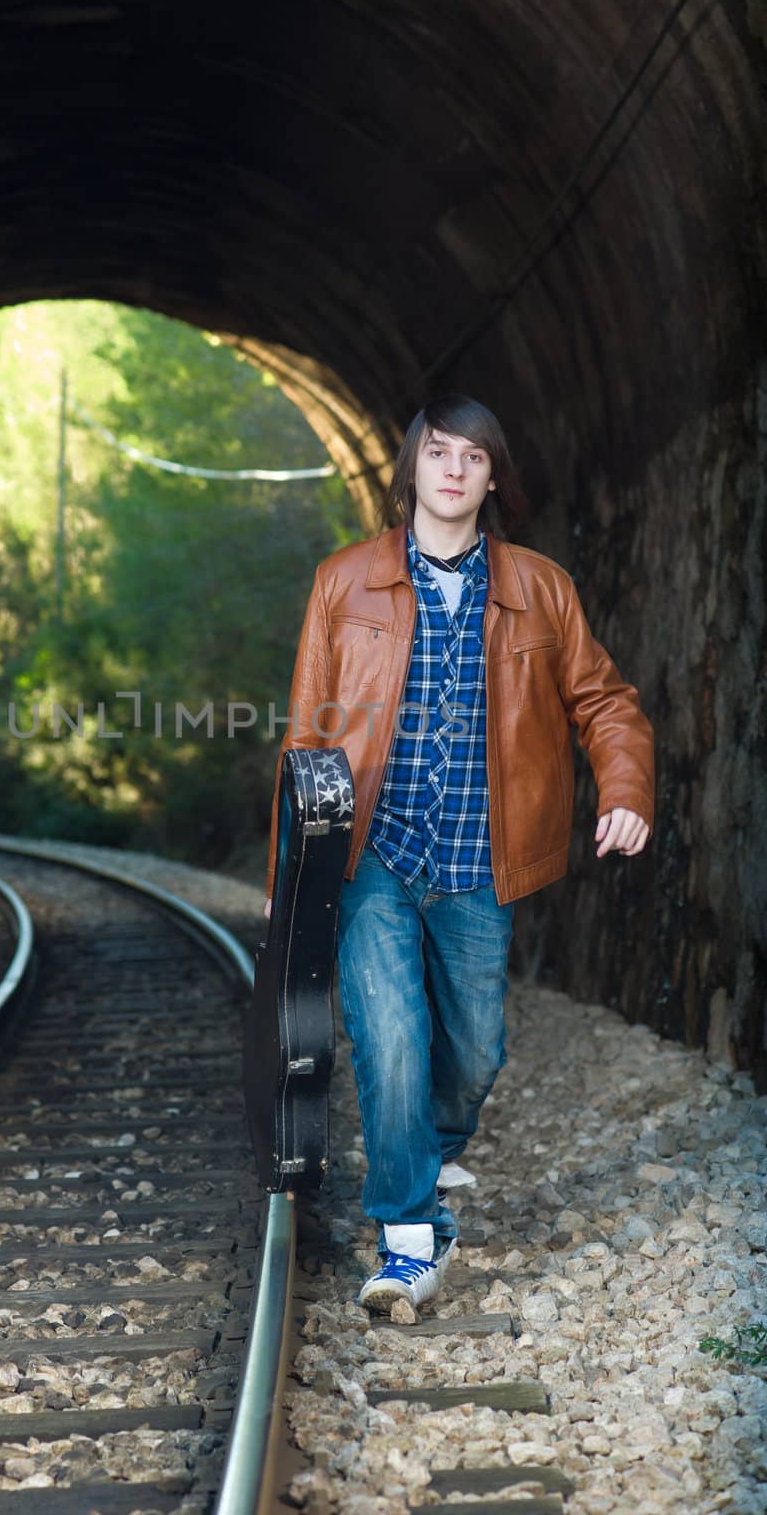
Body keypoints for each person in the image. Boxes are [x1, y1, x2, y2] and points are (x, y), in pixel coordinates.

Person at [264, 394, 653, 1313]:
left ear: (491, 477)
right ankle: (408, 1239)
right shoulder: (344, 581)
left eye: (472, 458)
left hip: (482, 861)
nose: (452, 470)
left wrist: (626, 789)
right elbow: (306, 736)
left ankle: (428, 1154)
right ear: (409, 470)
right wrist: (293, 885)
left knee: (474, 1052)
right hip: (373, 856)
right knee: (392, 1040)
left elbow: (603, 701)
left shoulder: (539, 588)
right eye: (437, 453)